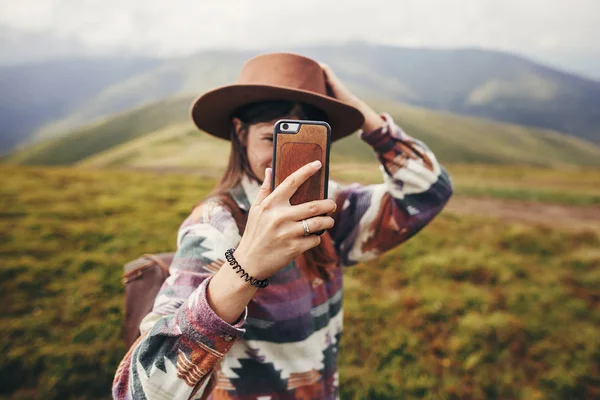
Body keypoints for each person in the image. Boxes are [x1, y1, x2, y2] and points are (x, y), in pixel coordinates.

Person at [112, 53, 453, 399]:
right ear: (239, 133)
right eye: (269, 138)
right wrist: (245, 267)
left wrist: (366, 118)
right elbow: (138, 390)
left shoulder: (333, 211)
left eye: (304, 145)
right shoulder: (215, 226)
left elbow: (429, 193)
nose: (283, 158)